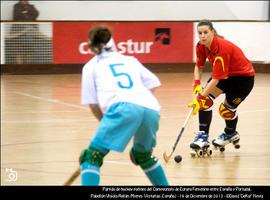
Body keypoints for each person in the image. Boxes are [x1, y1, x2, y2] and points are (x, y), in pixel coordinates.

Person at [79, 26, 169, 186]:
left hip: (122, 108)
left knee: (91, 157)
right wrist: (138, 107)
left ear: (91, 46)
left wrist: (110, 122)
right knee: (143, 156)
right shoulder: (129, 60)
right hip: (150, 107)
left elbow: (93, 105)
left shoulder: (91, 66)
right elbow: (154, 82)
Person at [188, 19, 255, 154]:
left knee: (225, 110)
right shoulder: (200, 46)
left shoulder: (221, 49)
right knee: (205, 101)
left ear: (212, 32)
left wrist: (200, 97)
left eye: (205, 32)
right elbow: (198, 66)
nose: (202, 36)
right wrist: (196, 85)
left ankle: (230, 133)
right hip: (225, 76)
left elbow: (217, 78)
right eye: (200, 33)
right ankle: (203, 137)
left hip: (242, 79)